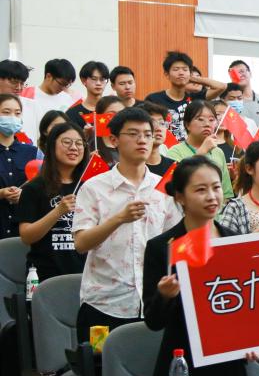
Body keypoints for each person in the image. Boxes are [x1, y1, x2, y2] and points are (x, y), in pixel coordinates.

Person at [141, 155, 254, 376]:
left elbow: (248, 305)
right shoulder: (162, 247)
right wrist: (165, 296)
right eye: (201, 190)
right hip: (183, 363)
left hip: (229, 363)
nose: (212, 196)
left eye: (216, 187)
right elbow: (154, 322)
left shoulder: (235, 241)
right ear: (180, 197)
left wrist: (251, 340)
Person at [72, 107, 180, 342]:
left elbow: (174, 243)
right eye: (133, 134)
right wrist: (118, 219)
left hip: (152, 302)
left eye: (147, 134)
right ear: (113, 140)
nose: (142, 140)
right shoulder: (93, 188)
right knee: (100, 364)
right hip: (105, 304)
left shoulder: (163, 188)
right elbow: (81, 243)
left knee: (150, 364)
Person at [17, 123, 88, 280]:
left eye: (79, 143)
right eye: (67, 142)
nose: (74, 148)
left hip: (84, 277)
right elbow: (26, 236)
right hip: (45, 276)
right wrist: (58, 212)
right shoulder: (34, 188)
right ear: (51, 146)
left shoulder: (89, 188)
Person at [145, 51, 225, 142]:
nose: (181, 73)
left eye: (185, 69)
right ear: (167, 74)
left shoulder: (196, 99)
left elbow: (221, 87)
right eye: (176, 69)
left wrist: (192, 78)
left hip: (189, 148)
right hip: (164, 148)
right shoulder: (154, 99)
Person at [165, 100, 235, 200]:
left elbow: (226, 193)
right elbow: (174, 186)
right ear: (187, 124)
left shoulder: (218, 152)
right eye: (200, 119)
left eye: (211, 120)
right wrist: (202, 151)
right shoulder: (175, 152)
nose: (207, 124)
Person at [0, 94, 36, 237]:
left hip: (23, 232)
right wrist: (2, 193)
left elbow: (45, 189)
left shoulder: (33, 153)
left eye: (17, 113)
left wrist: (25, 194)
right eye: (6, 112)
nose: (12, 117)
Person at [23, 59, 77, 142]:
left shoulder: (68, 99)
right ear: (48, 76)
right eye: (61, 83)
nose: (63, 88)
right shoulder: (27, 95)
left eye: (67, 85)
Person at [226, 60, 259, 126]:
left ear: (250, 73)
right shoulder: (229, 103)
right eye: (235, 73)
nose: (239, 75)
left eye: (242, 71)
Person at [66, 61, 109, 129]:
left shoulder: (112, 109)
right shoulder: (72, 113)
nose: (98, 83)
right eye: (94, 79)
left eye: (102, 79)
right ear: (84, 81)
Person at [139, 101, 176, 177]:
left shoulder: (174, 168)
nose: (159, 128)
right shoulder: (131, 167)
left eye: (162, 123)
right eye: (152, 123)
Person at [91, 96, 126, 168]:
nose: (117, 117)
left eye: (121, 113)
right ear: (99, 116)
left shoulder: (131, 143)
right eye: (111, 114)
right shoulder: (90, 147)